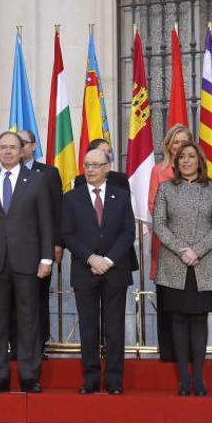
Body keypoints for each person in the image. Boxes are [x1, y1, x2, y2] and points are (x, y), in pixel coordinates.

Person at [0, 131, 53, 393]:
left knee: (28, 320)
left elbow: (46, 222)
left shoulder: (38, 181)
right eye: (3, 147)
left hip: (28, 261)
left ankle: (29, 376)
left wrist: (46, 257)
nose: (7, 152)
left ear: (23, 151)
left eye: (13, 147)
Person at [152, 142, 212, 396]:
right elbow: (159, 224)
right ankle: (184, 378)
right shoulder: (166, 188)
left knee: (199, 319)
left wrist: (197, 251)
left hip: (204, 263)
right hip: (175, 263)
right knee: (178, 319)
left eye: (191, 156)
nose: (185, 160)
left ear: (200, 161)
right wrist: (183, 250)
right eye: (181, 156)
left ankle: (199, 378)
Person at [62, 147, 134, 395]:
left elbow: (128, 233)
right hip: (85, 271)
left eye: (95, 165)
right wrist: (91, 258)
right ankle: (90, 379)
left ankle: (114, 381)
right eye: (86, 165)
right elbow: (68, 234)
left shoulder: (121, 196)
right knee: (89, 328)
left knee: (114, 328)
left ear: (107, 167)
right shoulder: (72, 197)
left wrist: (109, 260)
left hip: (115, 271)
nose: (90, 169)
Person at [10, 129, 61, 360]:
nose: (18, 147)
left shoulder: (48, 173)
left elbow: (56, 211)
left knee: (38, 297)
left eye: (23, 142)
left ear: (32, 146)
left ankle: (38, 345)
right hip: (10, 251)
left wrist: (56, 245)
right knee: (11, 298)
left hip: (40, 249)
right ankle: (14, 345)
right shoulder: (5, 172)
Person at [149, 124, 193, 361]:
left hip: (197, 249)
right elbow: (154, 207)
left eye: (183, 142)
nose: (179, 147)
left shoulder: (200, 172)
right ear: (168, 146)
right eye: (175, 143)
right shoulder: (159, 171)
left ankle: (191, 352)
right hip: (166, 246)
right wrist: (177, 241)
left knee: (192, 303)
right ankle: (168, 354)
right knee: (168, 301)